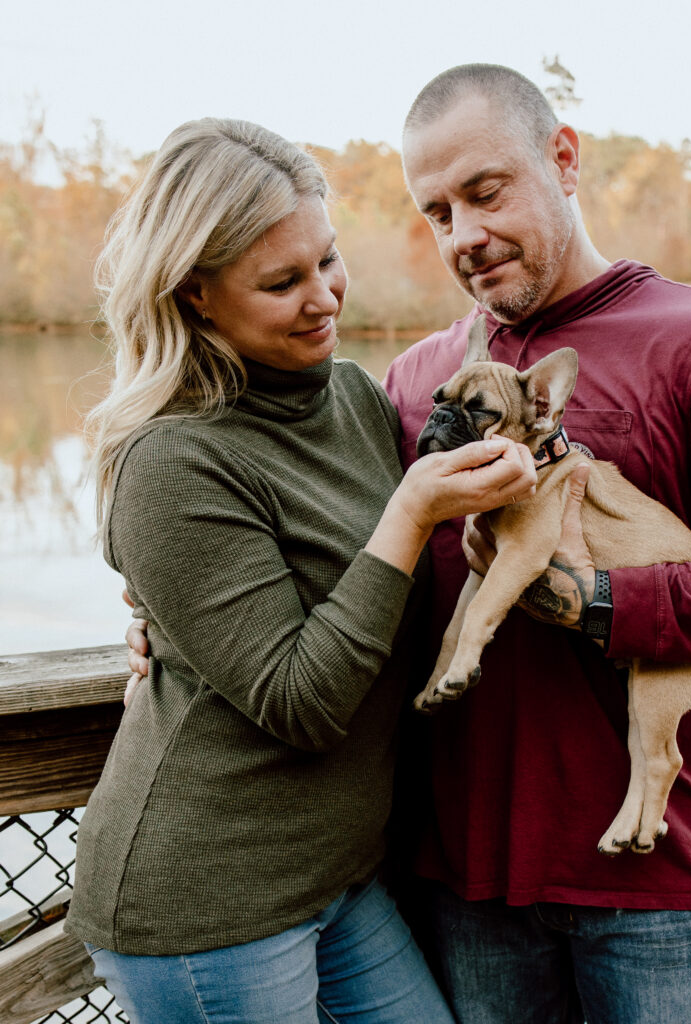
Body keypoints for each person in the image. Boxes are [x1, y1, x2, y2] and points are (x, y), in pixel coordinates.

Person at [378, 64, 691, 1024]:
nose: (464, 236)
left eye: (485, 193)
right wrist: (161, 605)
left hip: (654, 893)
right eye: (437, 213)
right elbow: (331, 548)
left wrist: (606, 607)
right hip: (460, 882)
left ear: (562, 160)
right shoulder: (416, 381)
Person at [63, 117, 539, 1024]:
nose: (323, 297)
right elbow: (303, 700)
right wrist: (408, 513)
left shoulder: (355, 396)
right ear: (196, 296)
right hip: (210, 907)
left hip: (340, 879)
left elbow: (385, 600)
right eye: (282, 282)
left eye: (326, 260)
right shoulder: (172, 461)